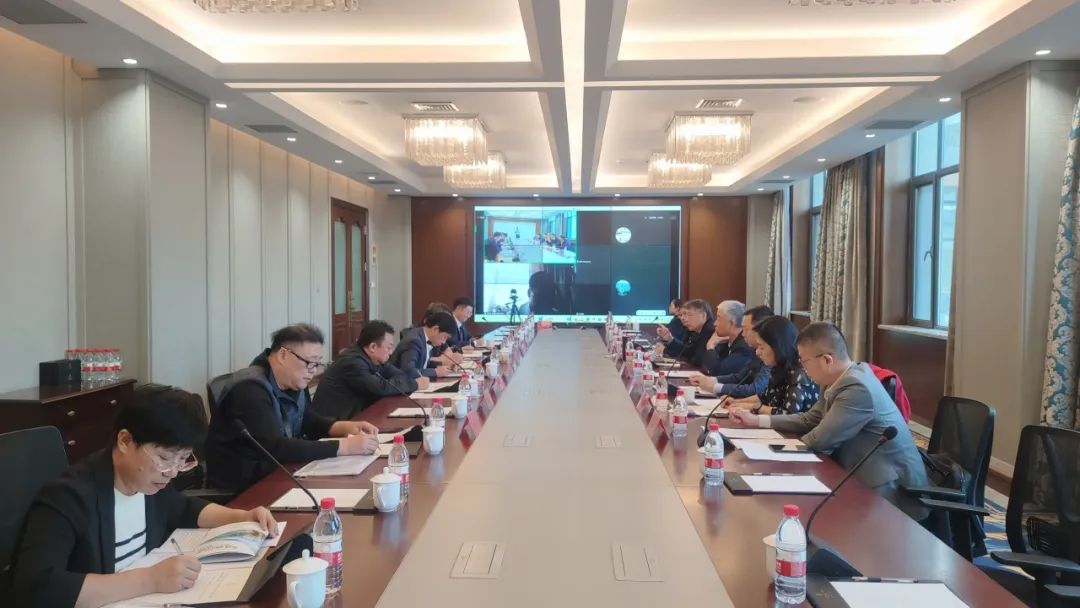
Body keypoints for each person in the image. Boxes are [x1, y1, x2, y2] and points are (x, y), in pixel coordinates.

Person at [13, 385, 279, 608]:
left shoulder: (147, 483)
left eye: (182, 460)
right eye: (164, 458)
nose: (171, 472)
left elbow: (183, 507)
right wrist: (149, 580)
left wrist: (241, 517)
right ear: (125, 441)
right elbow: (38, 587)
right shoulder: (69, 497)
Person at [731, 322, 929, 520]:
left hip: (889, 494)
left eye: (804, 361)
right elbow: (810, 419)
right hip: (856, 477)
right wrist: (757, 421)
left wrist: (769, 450)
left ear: (827, 360)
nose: (803, 368)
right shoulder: (837, 378)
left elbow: (820, 440)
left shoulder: (857, 388)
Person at [205, 324, 379, 493]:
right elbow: (276, 447)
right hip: (246, 489)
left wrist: (344, 427)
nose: (313, 371)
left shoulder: (292, 381)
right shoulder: (250, 390)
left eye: (317, 364)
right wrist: (345, 447)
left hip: (279, 473)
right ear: (283, 355)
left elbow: (308, 420)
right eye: (309, 363)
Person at [311, 321, 429, 421]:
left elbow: (400, 375)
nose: (391, 352)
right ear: (373, 347)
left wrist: (405, 382)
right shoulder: (352, 362)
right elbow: (379, 388)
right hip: (333, 424)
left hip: (354, 417)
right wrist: (415, 384)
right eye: (388, 347)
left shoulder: (373, 358)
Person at [725, 316, 818, 415]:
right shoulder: (778, 367)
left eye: (761, 347)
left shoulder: (799, 373)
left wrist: (755, 407)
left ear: (778, 347)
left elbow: (787, 414)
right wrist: (736, 402)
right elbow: (764, 397)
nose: (757, 352)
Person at [691, 305, 773, 398]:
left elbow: (756, 389)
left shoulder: (767, 354)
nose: (743, 334)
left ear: (760, 330)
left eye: (746, 329)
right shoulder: (755, 351)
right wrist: (711, 380)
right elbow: (739, 377)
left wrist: (716, 387)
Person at [390, 311, 456, 379]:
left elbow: (422, 364)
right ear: (435, 329)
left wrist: (442, 365)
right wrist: (435, 372)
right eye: (445, 337)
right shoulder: (414, 341)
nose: (444, 342)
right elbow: (409, 372)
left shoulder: (424, 337)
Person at [700, 300, 756, 377]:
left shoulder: (744, 346)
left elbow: (718, 372)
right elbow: (705, 366)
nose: (714, 323)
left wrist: (710, 346)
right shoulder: (725, 342)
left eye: (718, 318)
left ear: (731, 323)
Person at [656, 299, 714, 368]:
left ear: (703, 316)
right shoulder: (695, 332)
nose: (683, 318)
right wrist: (670, 339)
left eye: (688, 315)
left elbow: (696, 360)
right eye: (682, 315)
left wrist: (665, 350)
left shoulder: (709, 331)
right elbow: (686, 352)